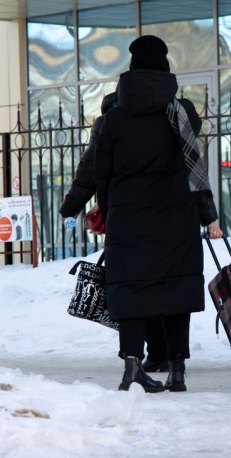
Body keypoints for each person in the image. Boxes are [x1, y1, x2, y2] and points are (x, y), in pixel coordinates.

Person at [95, 35, 223, 393]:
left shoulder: (114, 120)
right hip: (175, 219)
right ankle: (177, 369)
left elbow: (102, 175)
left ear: (131, 72)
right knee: (175, 288)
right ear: (166, 71)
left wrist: (110, 213)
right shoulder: (180, 114)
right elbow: (193, 169)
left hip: (128, 221)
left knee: (131, 294)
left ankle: (132, 368)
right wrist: (207, 216)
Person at [60, 92, 171, 374]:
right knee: (153, 286)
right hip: (159, 220)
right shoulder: (154, 123)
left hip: (124, 222)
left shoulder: (108, 124)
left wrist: (70, 206)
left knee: (128, 288)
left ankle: (133, 355)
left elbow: (89, 170)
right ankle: (160, 352)